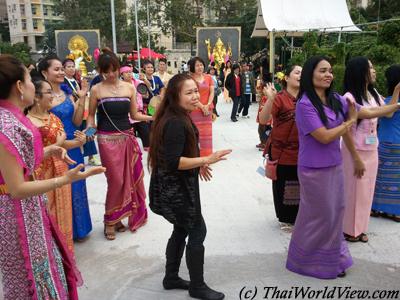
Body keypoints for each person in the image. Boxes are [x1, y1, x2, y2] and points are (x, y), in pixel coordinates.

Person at [0, 54, 105, 299]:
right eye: (29, 80)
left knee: (47, 266)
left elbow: (18, 163)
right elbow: (15, 187)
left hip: (30, 207)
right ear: (19, 86)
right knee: (29, 277)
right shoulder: (6, 125)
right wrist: (65, 180)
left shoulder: (11, 119)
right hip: (17, 213)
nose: (32, 85)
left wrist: (51, 149)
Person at [286, 56, 400, 279]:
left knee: (336, 212)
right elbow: (325, 136)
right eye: (323, 71)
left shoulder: (336, 98)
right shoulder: (305, 104)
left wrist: (397, 104)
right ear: (311, 74)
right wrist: (349, 122)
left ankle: (333, 259)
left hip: (335, 165)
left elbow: (365, 112)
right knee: (320, 215)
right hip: (313, 170)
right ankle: (307, 260)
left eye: (330, 71)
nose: (328, 75)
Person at [148, 73, 231, 300]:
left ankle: (171, 277)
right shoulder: (174, 121)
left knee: (182, 228)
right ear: (175, 96)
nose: (195, 96)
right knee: (196, 229)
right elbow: (174, 162)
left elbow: (180, 154)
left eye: (196, 91)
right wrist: (205, 159)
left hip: (177, 185)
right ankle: (197, 286)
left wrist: (197, 164)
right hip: (175, 189)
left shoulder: (178, 115)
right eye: (189, 92)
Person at [87, 50, 153, 240]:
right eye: (106, 71)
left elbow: (134, 115)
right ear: (100, 71)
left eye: (113, 70)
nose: (111, 74)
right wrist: (89, 131)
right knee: (115, 180)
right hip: (106, 140)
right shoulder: (97, 89)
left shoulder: (129, 88)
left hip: (127, 137)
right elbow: (91, 116)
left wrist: (153, 117)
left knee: (129, 180)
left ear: (119, 68)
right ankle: (109, 220)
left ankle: (119, 218)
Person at [342, 57, 400, 242]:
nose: (374, 71)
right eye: (370, 68)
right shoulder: (349, 98)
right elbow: (366, 114)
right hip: (354, 151)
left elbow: (388, 112)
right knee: (354, 191)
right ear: (360, 72)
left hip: (372, 148)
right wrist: (356, 158)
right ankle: (349, 229)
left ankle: (360, 228)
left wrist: (397, 92)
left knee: (367, 190)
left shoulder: (373, 93)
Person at [26, 78, 87, 252]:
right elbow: (30, 152)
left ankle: (65, 252)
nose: (52, 96)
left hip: (60, 169)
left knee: (64, 210)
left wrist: (78, 142)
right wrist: (56, 145)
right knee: (47, 211)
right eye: (48, 92)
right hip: (41, 173)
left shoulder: (53, 117)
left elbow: (63, 143)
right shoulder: (27, 122)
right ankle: (50, 252)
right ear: (37, 97)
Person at [38, 54, 93, 241]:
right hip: (54, 147)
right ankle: (61, 232)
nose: (61, 72)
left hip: (74, 145)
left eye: (62, 68)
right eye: (57, 69)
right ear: (45, 73)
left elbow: (77, 121)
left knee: (77, 185)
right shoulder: (41, 99)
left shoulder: (68, 94)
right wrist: (70, 143)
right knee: (59, 189)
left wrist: (82, 99)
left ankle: (79, 229)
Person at [259, 64, 303, 230]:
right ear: (287, 78)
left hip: (303, 150)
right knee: (284, 184)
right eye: (297, 72)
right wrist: (270, 99)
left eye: (303, 73)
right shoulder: (279, 98)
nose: (300, 75)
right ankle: (285, 217)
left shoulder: (307, 97)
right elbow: (264, 120)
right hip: (282, 150)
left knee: (299, 183)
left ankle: (299, 216)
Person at [372, 64, 400, 222]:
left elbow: (388, 114)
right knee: (394, 179)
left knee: (382, 177)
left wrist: (396, 91)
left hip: (387, 143)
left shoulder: (389, 102)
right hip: (394, 143)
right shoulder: (387, 101)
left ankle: (378, 208)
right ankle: (394, 211)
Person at [63, 58, 101, 166]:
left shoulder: (77, 80)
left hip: (83, 110)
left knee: (88, 131)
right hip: (73, 112)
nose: (71, 69)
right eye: (68, 66)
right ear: (63, 69)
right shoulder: (63, 82)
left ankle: (91, 156)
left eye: (72, 66)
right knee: (76, 133)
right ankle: (76, 155)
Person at [189, 57, 215, 156]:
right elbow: (191, 95)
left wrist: (207, 105)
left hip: (208, 109)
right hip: (194, 109)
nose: (200, 67)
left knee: (206, 134)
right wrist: (202, 106)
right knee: (194, 133)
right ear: (192, 67)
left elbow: (212, 92)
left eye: (201, 65)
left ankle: (207, 155)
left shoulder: (208, 77)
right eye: (197, 65)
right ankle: (195, 155)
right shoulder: (189, 79)